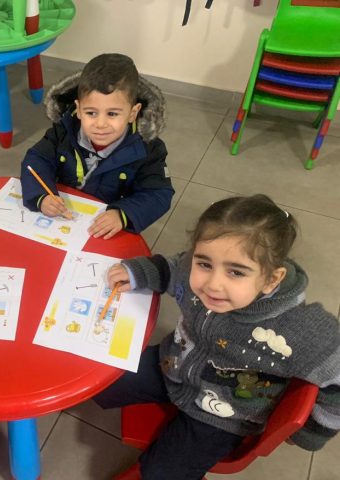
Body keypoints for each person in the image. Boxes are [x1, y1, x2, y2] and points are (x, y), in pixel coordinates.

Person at [98, 194, 340, 479]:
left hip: (224, 415)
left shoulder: (303, 328)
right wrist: (139, 272)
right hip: (171, 365)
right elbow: (174, 268)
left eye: (236, 272)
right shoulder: (194, 268)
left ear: (271, 279)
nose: (213, 284)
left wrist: (311, 433)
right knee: (101, 381)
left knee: (160, 473)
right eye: (204, 264)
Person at [20, 53, 174, 239]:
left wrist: (123, 214)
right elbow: (37, 160)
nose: (100, 124)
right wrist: (41, 196)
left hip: (107, 229)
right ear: (78, 109)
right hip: (64, 220)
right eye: (91, 113)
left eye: (112, 114)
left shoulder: (148, 150)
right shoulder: (63, 131)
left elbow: (158, 193)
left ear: (133, 113)